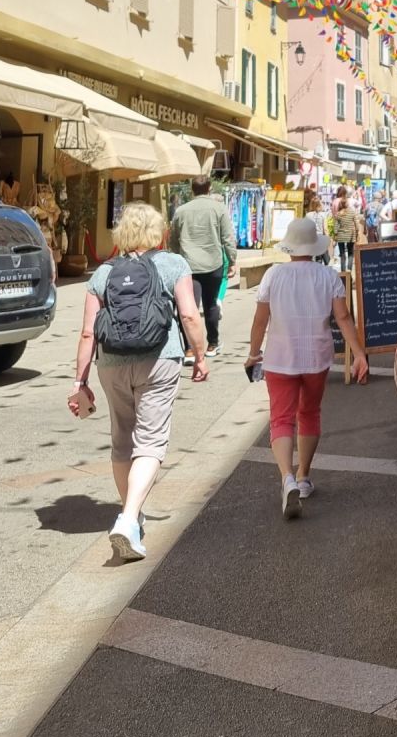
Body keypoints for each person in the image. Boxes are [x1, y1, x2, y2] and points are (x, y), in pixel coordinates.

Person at [68, 203, 208, 561]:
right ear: (159, 232)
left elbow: (87, 334)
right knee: (150, 442)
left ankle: (132, 513)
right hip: (159, 360)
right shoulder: (173, 264)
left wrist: (80, 380)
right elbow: (190, 314)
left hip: (111, 363)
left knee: (121, 440)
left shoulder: (103, 273)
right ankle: (129, 519)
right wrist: (201, 355)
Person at [246, 216, 369, 517]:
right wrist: (359, 354)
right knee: (309, 413)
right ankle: (303, 477)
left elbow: (261, 320)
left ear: (289, 247)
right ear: (314, 247)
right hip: (316, 356)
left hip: (278, 357)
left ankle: (286, 476)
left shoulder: (273, 276)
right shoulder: (327, 276)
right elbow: (343, 318)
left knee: (281, 419)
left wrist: (252, 354)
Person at [168, 176, 237, 358]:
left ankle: (189, 349)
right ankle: (212, 344)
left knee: (187, 307)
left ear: (192, 190)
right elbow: (228, 238)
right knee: (211, 304)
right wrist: (232, 261)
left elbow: (173, 240)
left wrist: (177, 258)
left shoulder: (181, 211)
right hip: (213, 263)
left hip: (188, 266)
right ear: (210, 189)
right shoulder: (219, 209)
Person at [329, 188, 359, 272]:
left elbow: (336, 226)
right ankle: (349, 269)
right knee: (350, 253)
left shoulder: (338, 214)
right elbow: (356, 223)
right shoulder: (352, 212)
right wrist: (357, 232)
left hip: (341, 236)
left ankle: (343, 270)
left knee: (342, 254)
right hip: (350, 235)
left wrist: (335, 234)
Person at [304, 191, 330, 264]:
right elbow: (325, 229)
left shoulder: (308, 215)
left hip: (311, 238)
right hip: (320, 238)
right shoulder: (323, 215)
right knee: (320, 257)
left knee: (312, 257)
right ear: (319, 205)